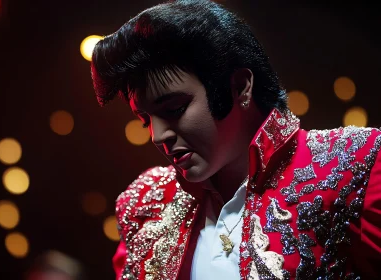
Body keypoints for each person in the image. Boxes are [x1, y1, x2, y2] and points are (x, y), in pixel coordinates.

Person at [90, 0, 381, 279]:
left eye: (174, 109)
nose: (158, 135)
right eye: (145, 121)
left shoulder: (353, 165)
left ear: (240, 86)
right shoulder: (144, 203)